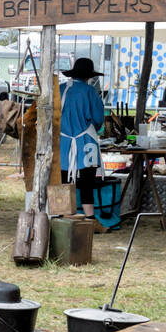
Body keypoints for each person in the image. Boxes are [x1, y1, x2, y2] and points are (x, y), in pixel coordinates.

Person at [59, 57, 107, 223]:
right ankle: (90, 217)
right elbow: (98, 119)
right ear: (89, 76)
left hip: (63, 141)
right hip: (85, 140)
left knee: (63, 179)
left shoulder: (60, 90)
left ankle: (64, 215)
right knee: (87, 181)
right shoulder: (90, 92)